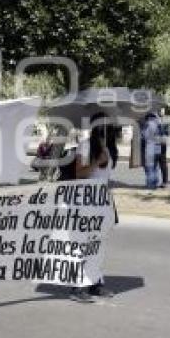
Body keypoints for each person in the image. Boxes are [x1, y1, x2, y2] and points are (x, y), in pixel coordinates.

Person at [71, 113, 117, 303]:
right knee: (84, 245)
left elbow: (104, 176)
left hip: (103, 202)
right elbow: (79, 173)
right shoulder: (85, 146)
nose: (108, 129)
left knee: (98, 246)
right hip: (87, 203)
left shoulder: (109, 147)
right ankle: (77, 287)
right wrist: (96, 162)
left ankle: (95, 284)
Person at [141, 112, 162, 190]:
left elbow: (144, 136)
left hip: (150, 148)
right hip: (158, 149)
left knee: (150, 168)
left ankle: (150, 185)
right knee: (156, 168)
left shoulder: (147, 125)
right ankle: (155, 183)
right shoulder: (158, 124)